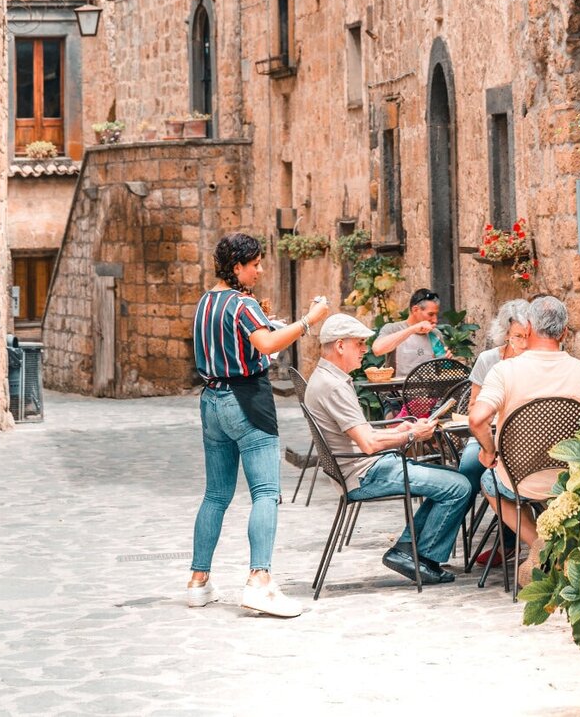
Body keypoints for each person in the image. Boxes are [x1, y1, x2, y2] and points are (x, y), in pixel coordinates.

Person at [186, 234, 329, 618]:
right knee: (266, 493)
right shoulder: (241, 303)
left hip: (212, 401)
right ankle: (259, 580)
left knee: (215, 495)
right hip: (246, 399)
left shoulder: (205, 302)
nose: (260, 270)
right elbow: (266, 345)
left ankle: (198, 581)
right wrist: (309, 320)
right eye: (255, 265)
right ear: (236, 267)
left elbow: (234, 342)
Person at [305, 312, 475, 586]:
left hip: (362, 466)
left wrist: (398, 430)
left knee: (449, 481)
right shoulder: (333, 385)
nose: (364, 350)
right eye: (359, 343)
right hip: (364, 473)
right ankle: (423, 558)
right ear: (340, 345)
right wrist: (412, 435)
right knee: (459, 486)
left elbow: (360, 432)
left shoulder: (327, 378)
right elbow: (368, 444)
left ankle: (407, 550)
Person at [468, 295, 580, 577]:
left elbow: (476, 418)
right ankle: (560, 548)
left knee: (488, 481)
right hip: (571, 480)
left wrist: (488, 451)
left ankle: (538, 544)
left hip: (519, 481)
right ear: (565, 332)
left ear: (529, 327)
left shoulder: (504, 372)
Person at [459, 300, 532, 564]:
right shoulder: (489, 360)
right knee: (469, 466)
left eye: (528, 336)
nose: (524, 343)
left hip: (524, 438)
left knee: (509, 471)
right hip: (488, 433)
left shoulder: (538, 360)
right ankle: (453, 529)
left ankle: (509, 542)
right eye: (517, 336)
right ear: (505, 335)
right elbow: (473, 407)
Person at [372, 288, 443, 377]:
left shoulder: (435, 334)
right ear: (415, 310)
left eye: (436, 315)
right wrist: (413, 329)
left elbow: (441, 368)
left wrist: (445, 361)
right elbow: (377, 350)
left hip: (430, 385)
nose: (435, 320)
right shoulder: (393, 329)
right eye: (431, 314)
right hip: (399, 386)